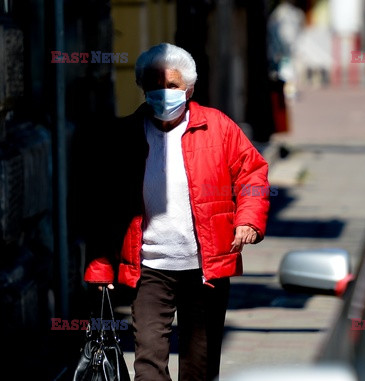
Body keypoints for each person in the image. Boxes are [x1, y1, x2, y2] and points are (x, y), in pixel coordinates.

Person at [83, 43, 270, 381]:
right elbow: (105, 206)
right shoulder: (125, 136)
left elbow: (253, 173)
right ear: (142, 87)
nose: (163, 93)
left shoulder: (219, 127)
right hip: (150, 270)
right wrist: (100, 268)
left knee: (199, 367)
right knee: (149, 365)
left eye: (171, 86)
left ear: (189, 88)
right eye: (154, 85)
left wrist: (248, 220)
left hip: (206, 268)